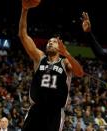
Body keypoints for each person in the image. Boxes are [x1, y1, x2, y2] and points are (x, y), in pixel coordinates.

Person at [18, 0, 84, 131]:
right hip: (36, 109)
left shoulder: (65, 62)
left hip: (54, 113)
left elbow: (80, 73)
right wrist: (24, 10)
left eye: (53, 42)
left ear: (60, 47)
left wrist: (67, 54)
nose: (50, 43)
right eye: (49, 41)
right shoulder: (39, 58)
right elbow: (22, 35)